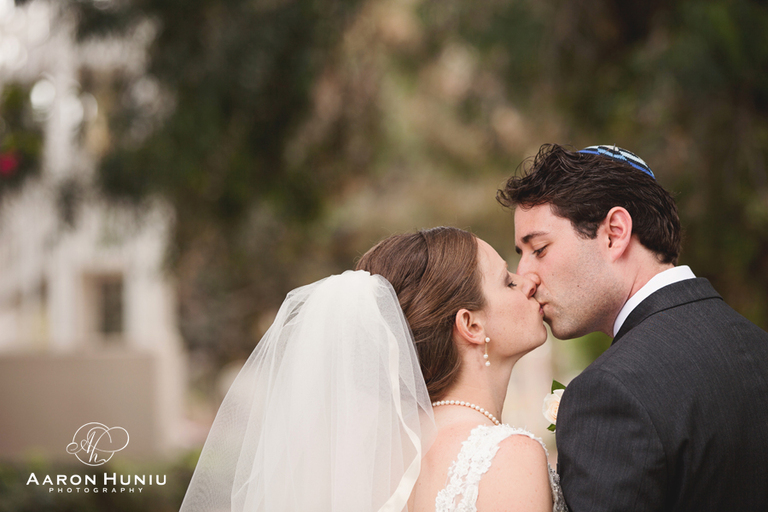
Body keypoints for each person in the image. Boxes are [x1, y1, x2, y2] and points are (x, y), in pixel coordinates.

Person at [179, 227, 566, 512]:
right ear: (471, 325)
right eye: (507, 281)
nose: (528, 282)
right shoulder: (507, 456)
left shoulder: (373, 462)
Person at [498, 143, 768, 511]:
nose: (525, 277)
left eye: (539, 249)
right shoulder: (758, 346)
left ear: (615, 232)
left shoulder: (609, 392)